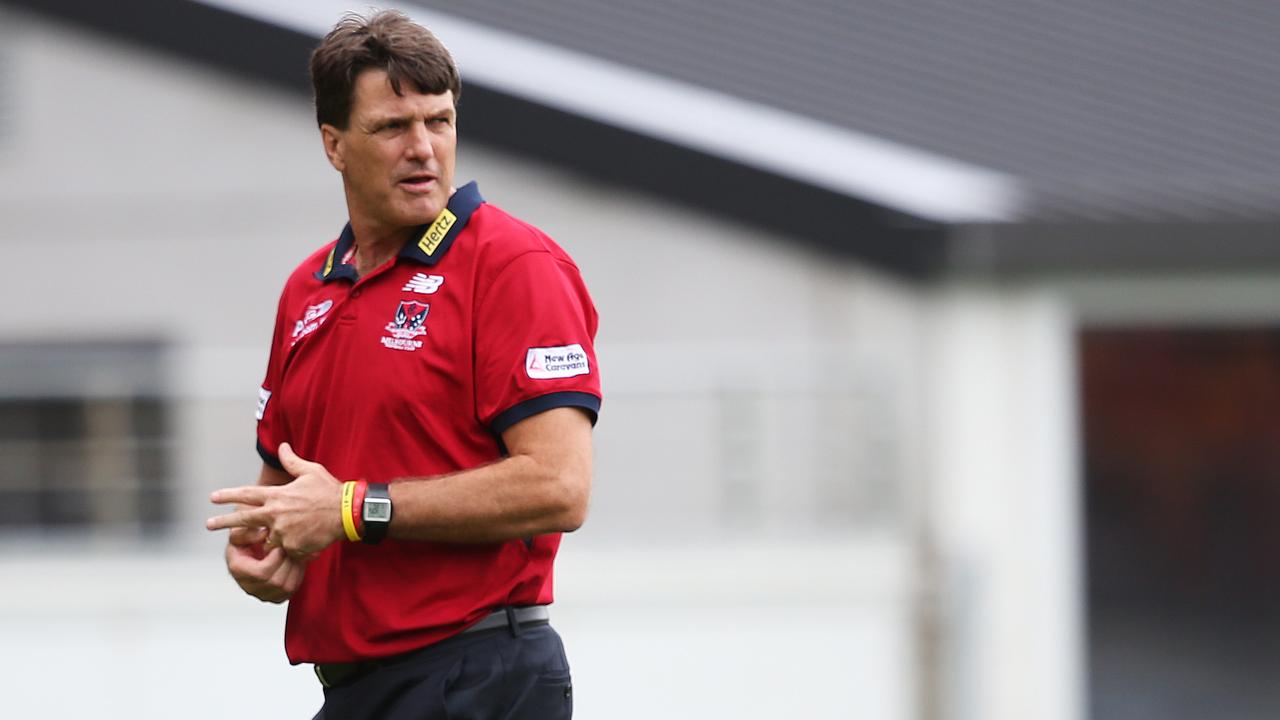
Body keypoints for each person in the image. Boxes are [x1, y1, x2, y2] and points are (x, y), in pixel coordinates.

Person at [205, 11, 600, 719]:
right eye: (392, 127)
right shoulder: (307, 291)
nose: (423, 148)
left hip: (479, 676)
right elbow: (289, 494)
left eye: (439, 121)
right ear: (334, 144)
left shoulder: (514, 265)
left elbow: (559, 487)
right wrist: (264, 547)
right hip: (356, 689)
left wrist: (355, 509)